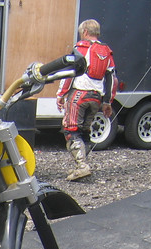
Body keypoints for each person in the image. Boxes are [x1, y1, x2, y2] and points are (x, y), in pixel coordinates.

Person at [56, 19, 117, 181]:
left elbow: (70, 73)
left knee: (71, 130)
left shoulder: (81, 48)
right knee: (85, 131)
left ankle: (82, 166)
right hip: (96, 97)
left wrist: (61, 94)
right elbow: (112, 79)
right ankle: (82, 165)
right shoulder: (107, 51)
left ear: (84, 32)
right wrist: (107, 102)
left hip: (79, 95)